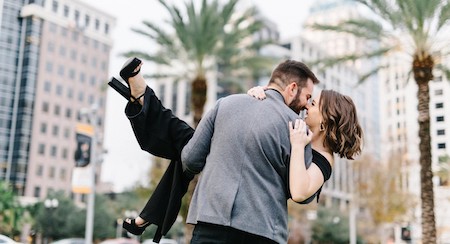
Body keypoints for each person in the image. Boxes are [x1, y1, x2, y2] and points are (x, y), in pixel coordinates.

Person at [117, 58, 362, 243]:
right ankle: (145, 100)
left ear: (326, 120)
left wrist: (251, 106)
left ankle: (144, 101)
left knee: (189, 144)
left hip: (209, 224)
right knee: (191, 141)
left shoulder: (230, 104)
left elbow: (190, 161)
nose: (306, 105)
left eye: (313, 102)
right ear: (292, 88)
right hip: (261, 232)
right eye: (308, 98)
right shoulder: (294, 127)